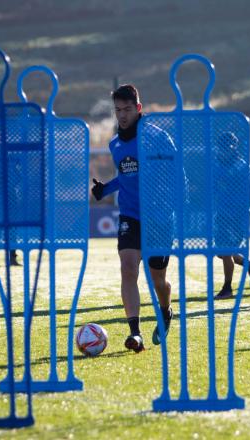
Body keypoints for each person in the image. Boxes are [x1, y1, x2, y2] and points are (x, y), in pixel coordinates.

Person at [91, 84, 173, 353]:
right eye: (118, 110)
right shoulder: (114, 144)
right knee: (128, 268)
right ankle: (135, 333)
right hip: (130, 214)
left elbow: (176, 172)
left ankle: (165, 309)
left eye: (127, 109)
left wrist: (174, 202)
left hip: (159, 216)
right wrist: (105, 188)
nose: (122, 115)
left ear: (138, 109)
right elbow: (127, 177)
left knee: (157, 279)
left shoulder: (158, 138)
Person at [213, 132, 250, 299]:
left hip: (237, 215)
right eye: (221, 148)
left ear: (233, 148)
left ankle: (227, 288)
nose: (222, 151)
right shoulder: (216, 166)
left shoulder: (243, 166)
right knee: (221, 252)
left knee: (225, 251)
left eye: (226, 148)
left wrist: (235, 201)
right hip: (221, 213)